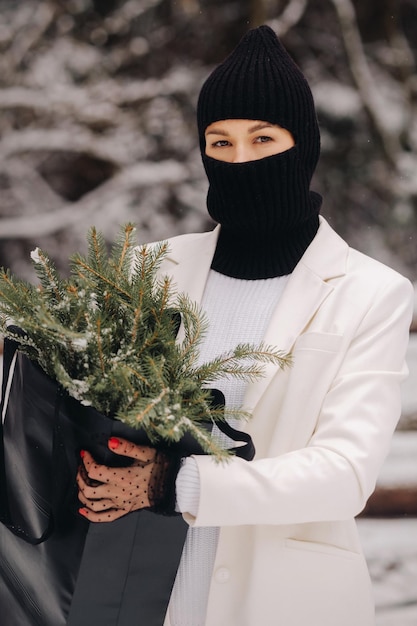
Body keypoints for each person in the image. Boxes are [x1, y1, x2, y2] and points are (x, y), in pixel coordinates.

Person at [76, 25, 414, 625]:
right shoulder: (148, 269)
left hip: (288, 602)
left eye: (263, 138)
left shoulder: (371, 293)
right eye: (221, 142)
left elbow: (344, 471)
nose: (241, 160)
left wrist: (178, 485)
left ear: (302, 145)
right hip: (145, 594)